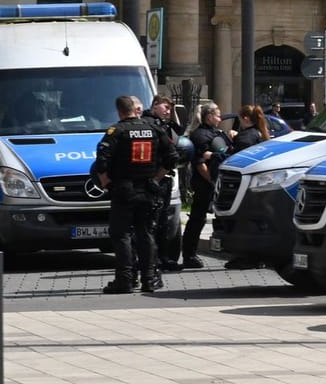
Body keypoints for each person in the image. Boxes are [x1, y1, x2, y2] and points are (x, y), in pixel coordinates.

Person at [92, 95, 178, 293]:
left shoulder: (116, 131)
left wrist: (106, 184)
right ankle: (149, 278)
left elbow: (101, 162)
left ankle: (125, 279)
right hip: (148, 190)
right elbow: (172, 156)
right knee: (146, 232)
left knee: (121, 234)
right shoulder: (154, 129)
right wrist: (156, 178)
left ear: (119, 111)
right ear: (135, 109)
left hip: (124, 190)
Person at [181, 103, 231, 269]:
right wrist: (212, 181)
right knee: (197, 218)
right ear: (209, 117)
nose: (219, 118)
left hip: (221, 183)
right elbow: (200, 163)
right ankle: (189, 255)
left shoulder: (217, 133)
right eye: (217, 115)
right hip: (206, 184)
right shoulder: (200, 135)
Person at [142, 95, 187, 271]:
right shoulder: (148, 123)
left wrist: (173, 110)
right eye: (165, 107)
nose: (168, 111)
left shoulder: (163, 123)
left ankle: (162, 257)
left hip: (164, 177)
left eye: (170, 108)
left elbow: (179, 129)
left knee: (162, 221)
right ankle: (151, 260)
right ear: (154, 106)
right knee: (151, 221)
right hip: (154, 177)